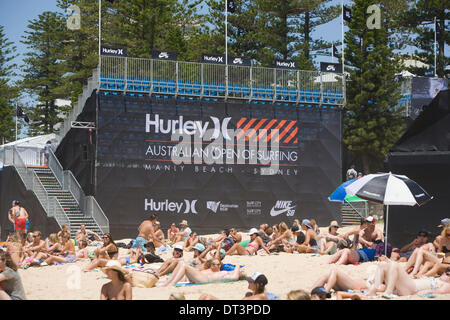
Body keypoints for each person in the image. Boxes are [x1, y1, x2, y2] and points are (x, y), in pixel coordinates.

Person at [366, 261, 450, 297]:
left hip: (412, 289)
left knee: (394, 265)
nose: (446, 274)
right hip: (407, 286)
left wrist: (418, 293)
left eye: (448, 274)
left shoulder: (447, 285)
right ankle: (372, 291)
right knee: (383, 264)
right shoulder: (437, 279)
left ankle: (388, 291)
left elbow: (436, 292)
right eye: (447, 272)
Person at [160, 258, 243, 287]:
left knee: (183, 264)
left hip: (204, 279)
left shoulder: (225, 273)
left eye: (218, 264)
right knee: (181, 263)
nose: (217, 266)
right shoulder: (213, 271)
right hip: (199, 278)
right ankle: (168, 282)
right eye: (213, 264)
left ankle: (172, 283)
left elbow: (235, 276)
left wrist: (238, 266)